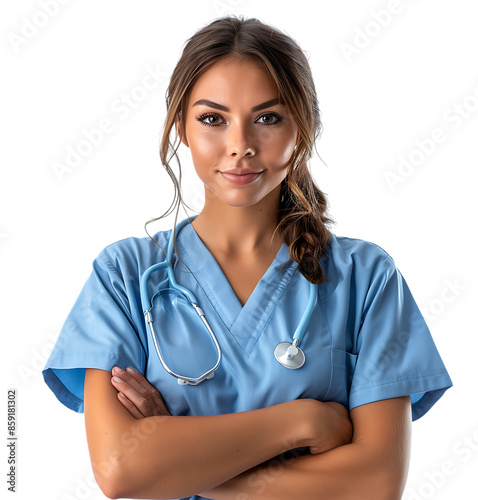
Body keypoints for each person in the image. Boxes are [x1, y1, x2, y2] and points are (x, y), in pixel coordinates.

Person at [42, 14, 453, 500]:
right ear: (181, 128)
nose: (240, 146)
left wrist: (184, 467)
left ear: (302, 129)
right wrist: (300, 421)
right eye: (213, 119)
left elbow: (375, 483)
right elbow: (120, 472)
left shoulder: (366, 278)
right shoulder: (124, 277)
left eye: (268, 118)